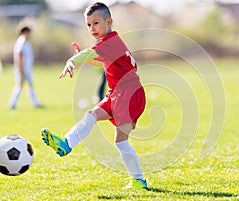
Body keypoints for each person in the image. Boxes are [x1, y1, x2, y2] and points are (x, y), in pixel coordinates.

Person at [41, 2, 148, 190]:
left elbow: (90, 53)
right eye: (89, 25)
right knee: (92, 114)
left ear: (109, 22)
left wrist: (73, 60)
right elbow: (101, 63)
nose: (92, 28)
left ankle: (139, 180)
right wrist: (82, 58)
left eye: (96, 23)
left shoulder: (111, 41)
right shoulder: (109, 44)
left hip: (130, 94)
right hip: (117, 92)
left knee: (120, 140)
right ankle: (66, 143)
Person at [9, 24, 42, 109]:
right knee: (20, 86)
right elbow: (20, 55)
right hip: (23, 69)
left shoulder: (26, 42)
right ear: (24, 32)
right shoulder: (22, 42)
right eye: (28, 32)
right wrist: (21, 70)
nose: (29, 34)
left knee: (29, 85)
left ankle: (35, 103)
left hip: (26, 68)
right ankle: (12, 104)